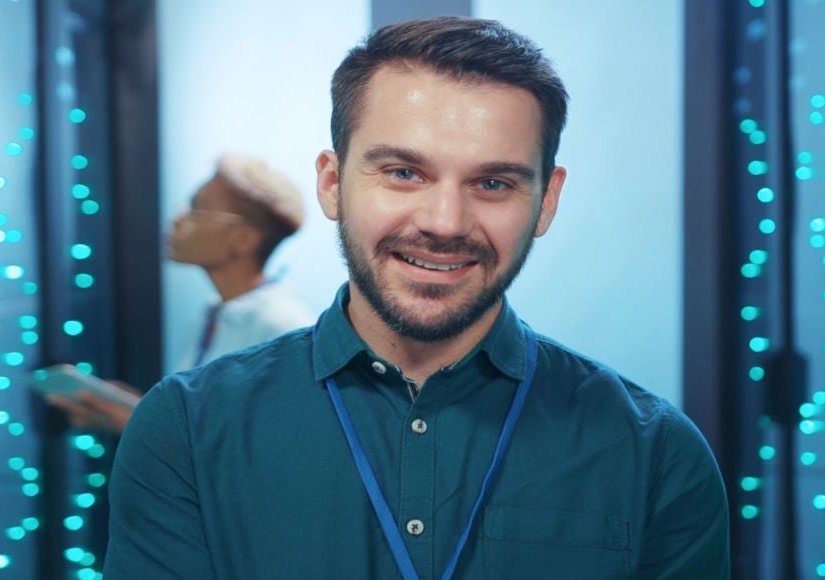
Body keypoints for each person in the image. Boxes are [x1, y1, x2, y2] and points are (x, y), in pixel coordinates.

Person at [105, 16, 729, 579]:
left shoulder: (657, 454)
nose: (446, 221)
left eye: (493, 182)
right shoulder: (186, 430)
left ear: (547, 199)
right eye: (404, 173)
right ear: (331, 182)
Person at [48, 154, 315, 434]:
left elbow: (272, 455)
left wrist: (142, 428)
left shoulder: (283, 326)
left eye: (197, 210)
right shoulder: (215, 313)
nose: (177, 220)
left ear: (243, 239)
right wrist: (145, 411)